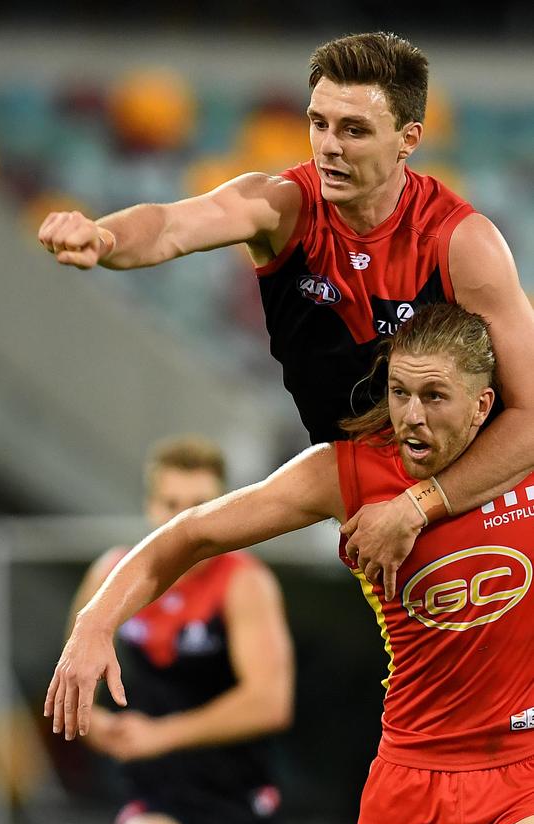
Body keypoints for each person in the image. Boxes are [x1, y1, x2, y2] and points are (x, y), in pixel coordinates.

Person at [37, 31, 534, 594]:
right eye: (318, 123)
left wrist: (418, 506)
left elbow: (531, 416)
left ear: (408, 139)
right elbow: (173, 226)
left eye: (354, 130)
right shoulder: (282, 208)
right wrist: (103, 236)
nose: (329, 147)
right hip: (360, 489)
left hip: (479, 497)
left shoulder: (461, 243)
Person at [46, 303, 534, 824]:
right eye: (399, 392)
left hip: (519, 770)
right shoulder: (345, 474)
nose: (411, 417)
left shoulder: (520, 461)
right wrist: (95, 621)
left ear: (483, 405)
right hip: (411, 782)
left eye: (435, 396)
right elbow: (193, 534)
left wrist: (418, 506)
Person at [65, 435, 294, 824]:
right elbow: (70, 685)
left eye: (200, 505)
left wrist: (160, 735)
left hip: (239, 804)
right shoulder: (111, 579)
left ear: (225, 508)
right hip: (157, 801)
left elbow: (269, 703)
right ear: (151, 507)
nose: (185, 520)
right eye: (172, 505)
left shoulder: (245, 583)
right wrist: (95, 725)